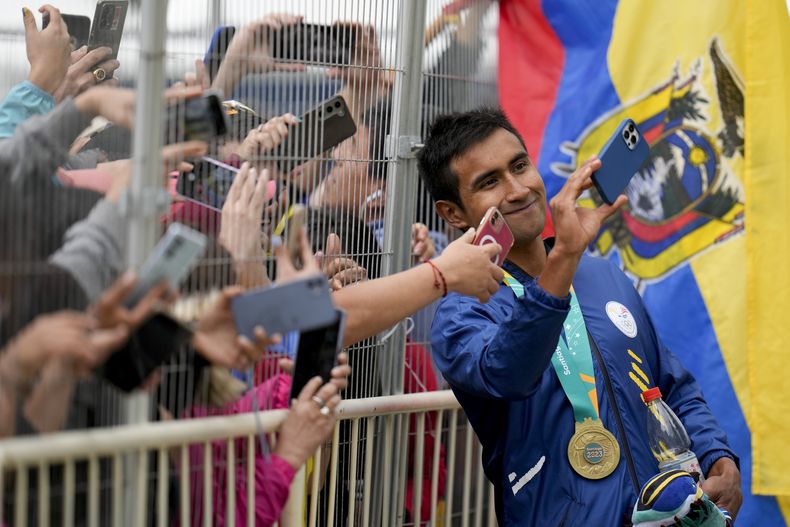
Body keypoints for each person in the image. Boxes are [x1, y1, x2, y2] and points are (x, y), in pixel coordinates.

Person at [417, 108, 741, 525]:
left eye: (520, 166)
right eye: (490, 182)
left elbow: (671, 386)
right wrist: (565, 257)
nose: (518, 190)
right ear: (453, 214)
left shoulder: (602, 274)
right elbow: (509, 373)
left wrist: (718, 457)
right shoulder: (463, 309)